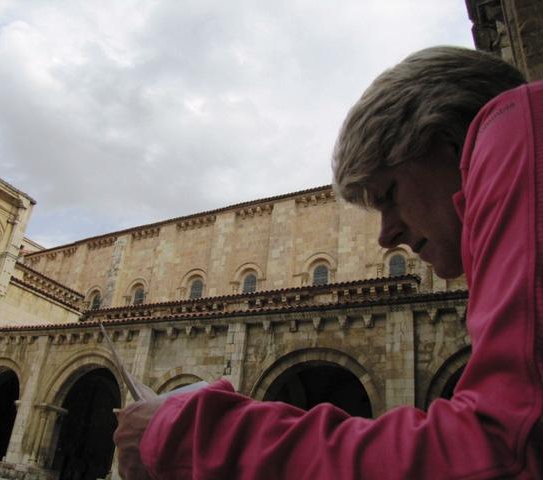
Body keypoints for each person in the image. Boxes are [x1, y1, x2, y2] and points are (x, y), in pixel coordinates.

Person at [113, 46, 543, 479]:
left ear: (450, 142)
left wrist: (184, 433)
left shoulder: (517, 131)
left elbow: (503, 447)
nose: (385, 235)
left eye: (389, 195)